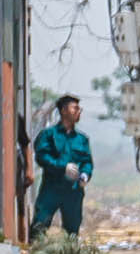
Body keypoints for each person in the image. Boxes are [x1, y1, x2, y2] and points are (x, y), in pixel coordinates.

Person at [31, 94, 93, 237]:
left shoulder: (82, 139)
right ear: (64, 111)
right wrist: (63, 166)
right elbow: (42, 157)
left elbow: (87, 161)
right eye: (75, 108)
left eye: (80, 109)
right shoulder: (48, 135)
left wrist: (85, 174)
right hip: (51, 189)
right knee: (39, 227)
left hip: (74, 191)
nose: (79, 111)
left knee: (72, 232)